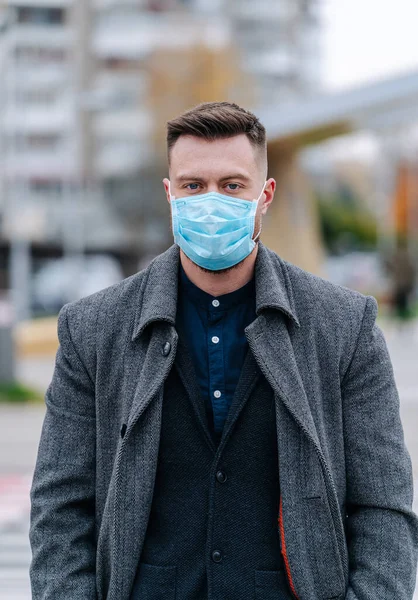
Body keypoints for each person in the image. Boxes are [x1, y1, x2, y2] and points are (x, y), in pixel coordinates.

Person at [29, 102, 418, 599]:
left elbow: (383, 507)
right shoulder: (92, 330)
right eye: (193, 186)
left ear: (265, 195)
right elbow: (60, 509)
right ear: (169, 195)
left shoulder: (344, 328)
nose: (211, 202)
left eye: (232, 185)